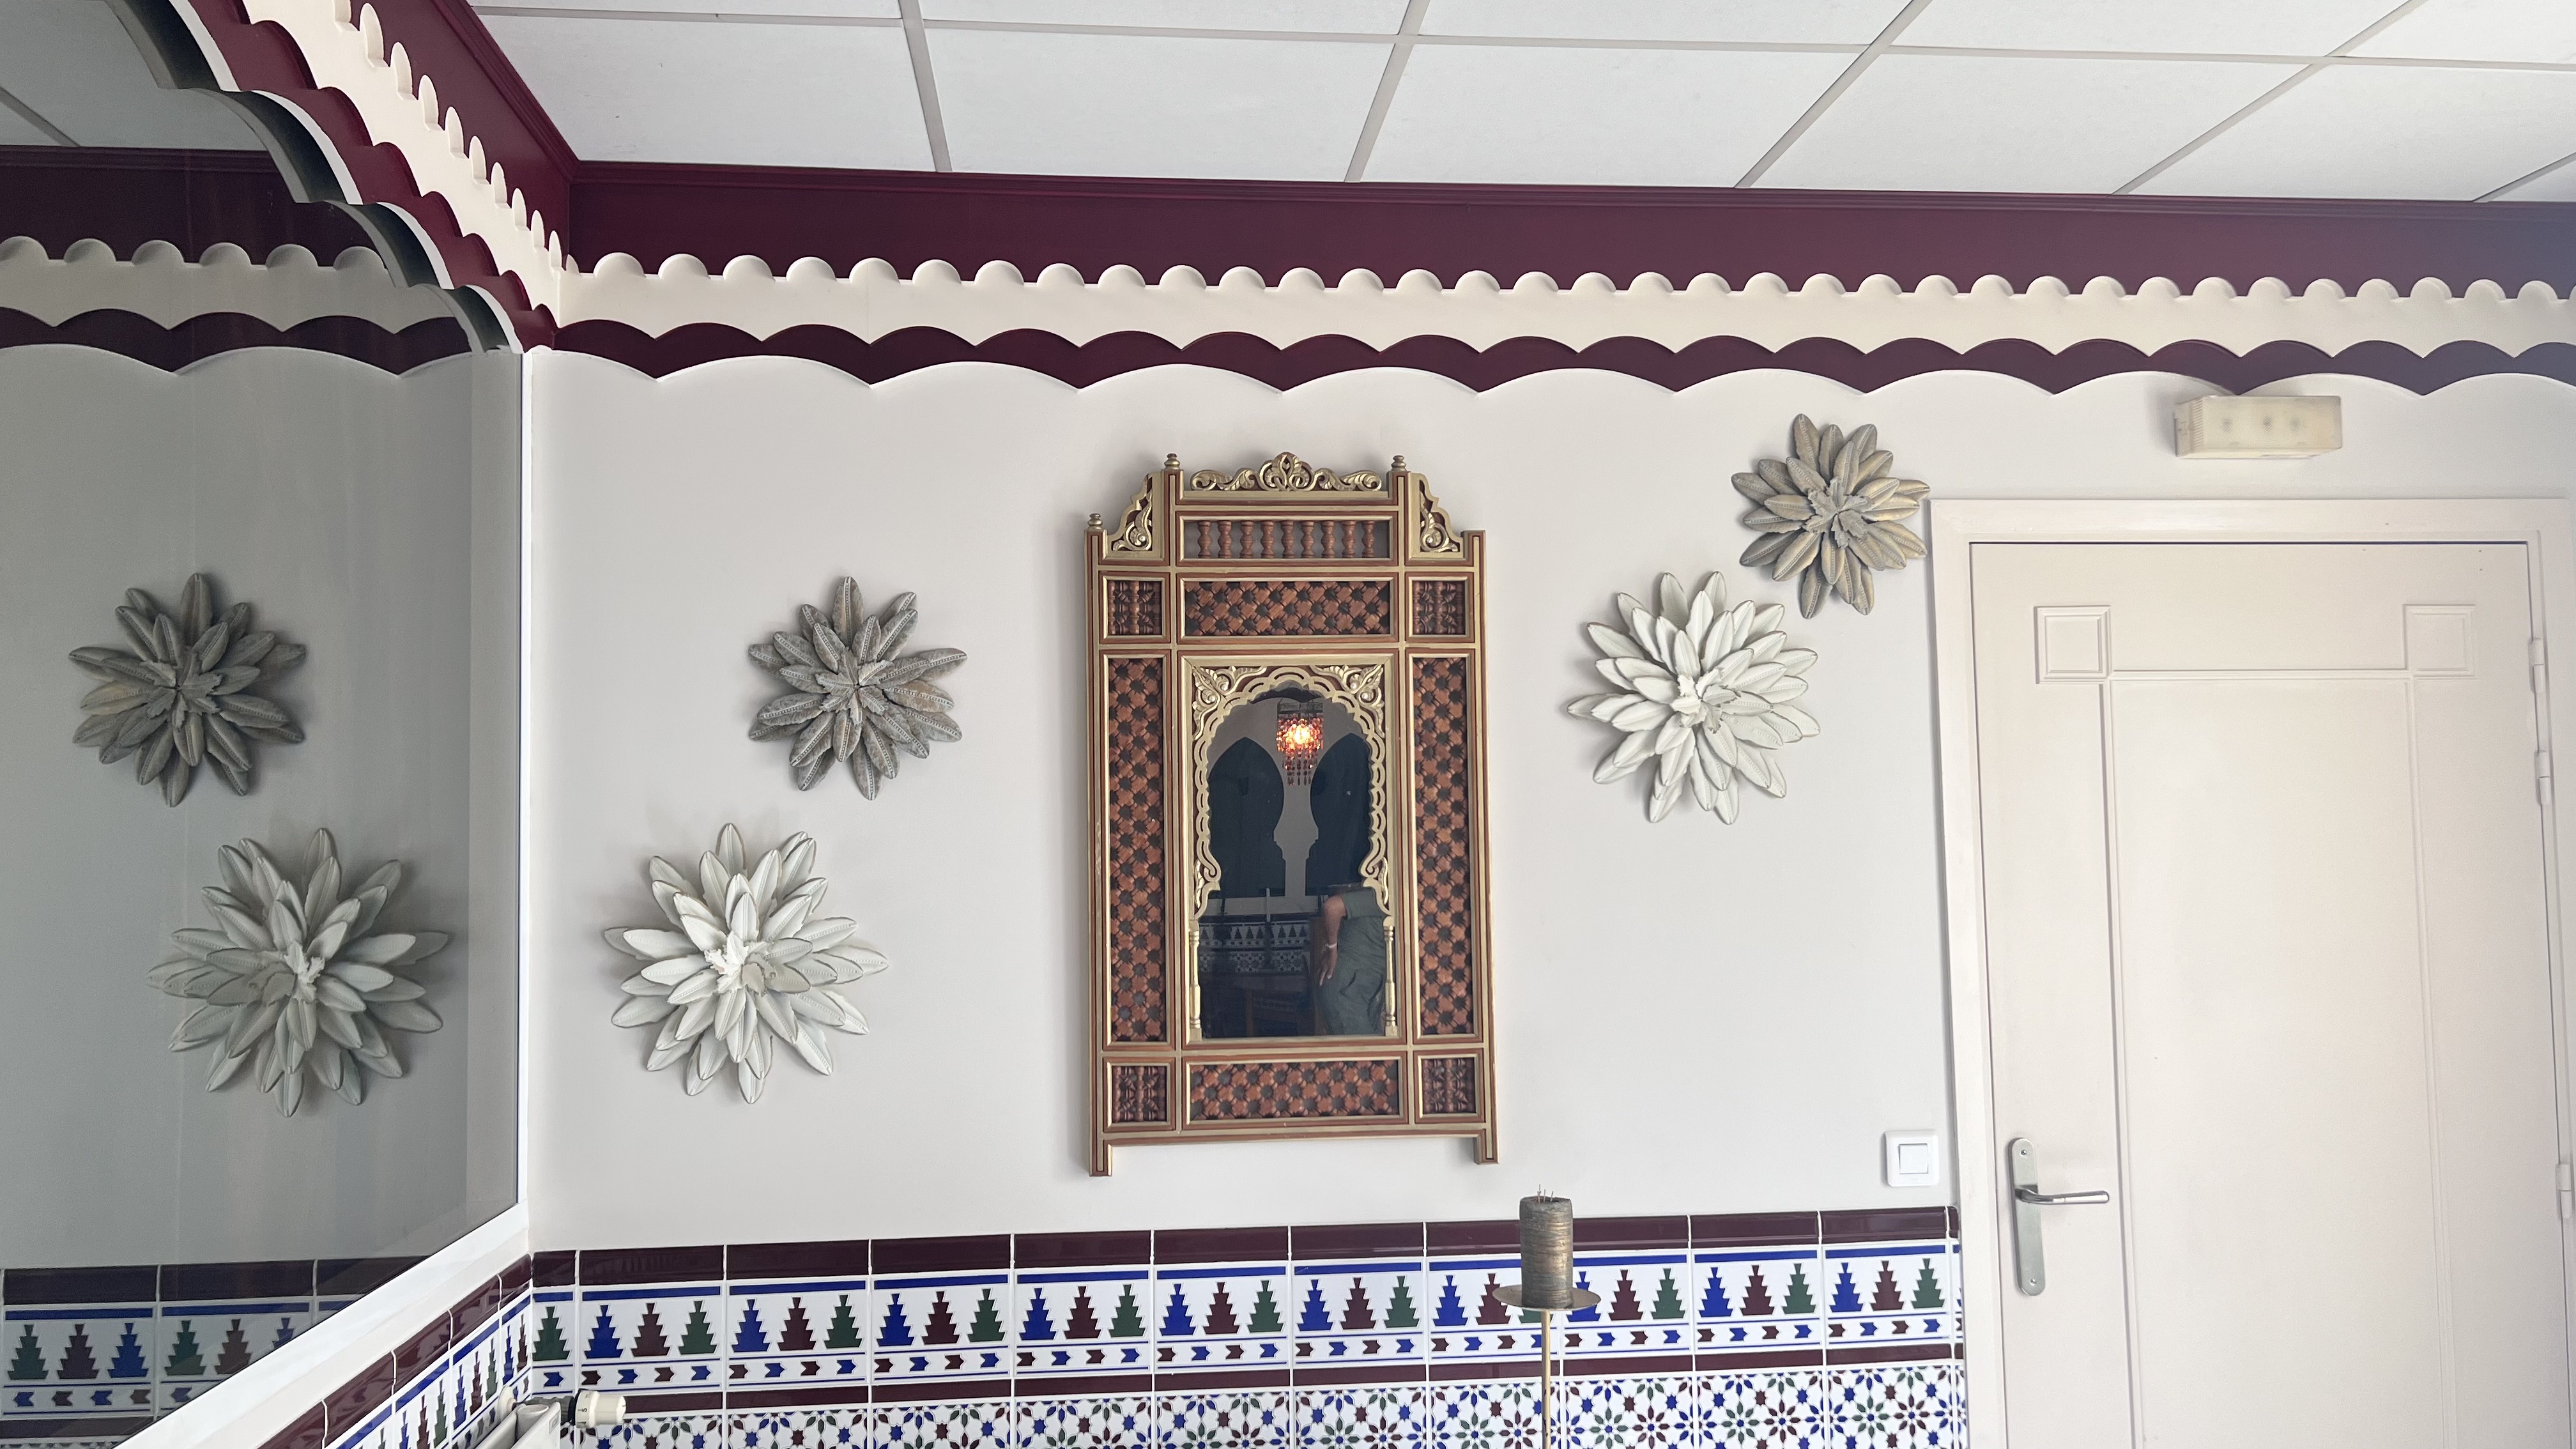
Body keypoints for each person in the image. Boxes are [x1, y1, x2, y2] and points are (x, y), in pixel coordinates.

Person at [1312, 880, 1387, 1036]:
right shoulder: (1382, 897)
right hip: (1348, 988)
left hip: (1363, 988)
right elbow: (1332, 907)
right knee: (1363, 1050)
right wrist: (1332, 949)